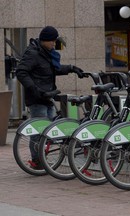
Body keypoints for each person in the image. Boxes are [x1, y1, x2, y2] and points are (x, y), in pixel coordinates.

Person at [16, 26, 84, 169]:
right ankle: (37, 161)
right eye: (52, 41)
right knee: (39, 131)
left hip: (48, 96)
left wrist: (72, 68)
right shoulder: (33, 53)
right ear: (44, 40)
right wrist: (35, 89)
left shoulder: (47, 53)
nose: (54, 44)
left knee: (48, 131)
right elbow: (21, 72)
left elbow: (54, 68)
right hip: (37, 98)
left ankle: (43, 158)